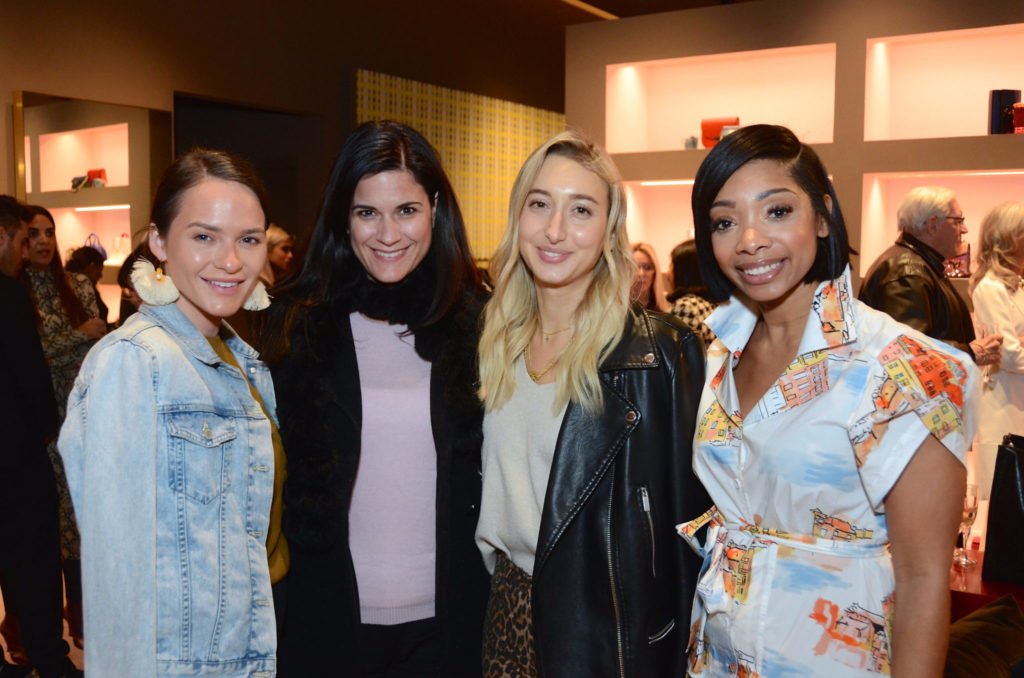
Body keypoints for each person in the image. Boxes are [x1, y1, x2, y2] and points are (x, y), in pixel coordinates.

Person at [682, 124, 976, 677]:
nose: (750, 240)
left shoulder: (903, 366)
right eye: (725, 221)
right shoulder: (719, 353)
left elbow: (923, 579)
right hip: (717, 656)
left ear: (822, 216)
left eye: (776, 211)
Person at [257, 120, 490, 677]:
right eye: (367, 212)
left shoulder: (480, 326)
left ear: (435, 209)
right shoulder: (295, 325)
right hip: (326, 623)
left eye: (406, 210)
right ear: (344, 217)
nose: (387, 234)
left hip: (450, 627)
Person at [475, 131, 708, 677]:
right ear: (518, 216)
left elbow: (690, 531)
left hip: (607, 627)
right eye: (539, 204)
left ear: (609, 229)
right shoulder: (491, 339)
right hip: (506, 610)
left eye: (581, 209)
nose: (555, 230)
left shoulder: (658, 354)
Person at [58, 149, 279, 676]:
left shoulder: (241, 357)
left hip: (244, 648)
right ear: (158, 242)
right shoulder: (134, 363)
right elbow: (119, 583)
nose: (231, 261)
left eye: (248, 240)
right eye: (204, 236)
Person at [0, 195, 81, 678]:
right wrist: (48, 425)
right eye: (22, 237)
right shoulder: (10, 294)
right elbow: (30, 374)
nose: (27, 248)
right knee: (34, 560)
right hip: (17, 453)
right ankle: (49, 658)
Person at [18, 205, 106, 649]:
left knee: (83, 520)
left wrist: (76, 341)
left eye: (49, 232)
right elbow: (27, 356)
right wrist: (76, 336)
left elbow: (99, 337)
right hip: (36, 422)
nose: (43, 241)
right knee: (42, 527)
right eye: (33, 233)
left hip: (82, 416)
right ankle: (29, 626)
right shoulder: (15, 291)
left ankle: (84, 616)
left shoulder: (78, 285)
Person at [859, 186, 1002, 365]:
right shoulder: (909, 273)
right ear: (932, 225)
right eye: (958, 221)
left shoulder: (918, 266)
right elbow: (907, 351)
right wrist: (970, 353)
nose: (964, 229)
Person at [970, 201, 1024, 500]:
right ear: (1009, 238)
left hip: (1016, 400)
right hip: (1002, 404)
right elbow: (1010, 354)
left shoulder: (1015, 285)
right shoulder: (991, 288)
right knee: (1004, 499)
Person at [667, 239, 716, 347]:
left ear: (682, 271)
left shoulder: (685, 307)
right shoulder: (707, 304)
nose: (668, 273)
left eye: (671, 265)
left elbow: (674, 352)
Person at [65, 245, 109, 326]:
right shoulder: (84, 284)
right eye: (100, 271)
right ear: (92, 267)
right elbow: (94, 318)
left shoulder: (65, 281)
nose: (100, 275)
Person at [631, 241, 668, 311]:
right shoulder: (615, 309)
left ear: (655, 273)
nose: (641, 273)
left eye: (647, 267)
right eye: (634, 267)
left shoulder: (665, 309)